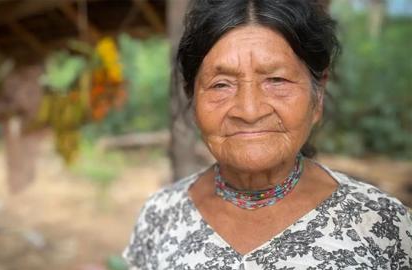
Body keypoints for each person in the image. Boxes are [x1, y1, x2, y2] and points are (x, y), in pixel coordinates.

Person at [123, 0, 412, 268]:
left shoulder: (383, 225)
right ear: (193, 98)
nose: (249, 111)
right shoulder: (160, 216)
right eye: (221, 84)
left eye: (276, 80)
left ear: (318, 95)